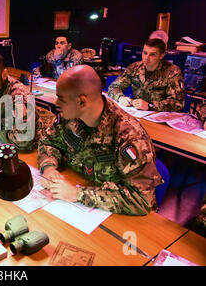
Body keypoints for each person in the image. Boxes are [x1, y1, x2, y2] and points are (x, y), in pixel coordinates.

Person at [38, 65, 162, 215]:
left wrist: (78, 194)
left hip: (118, 219)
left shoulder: (130, 136)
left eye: (61, 99)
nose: (56, 103)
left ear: (82, 102)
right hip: (81, 200)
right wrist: (49, 167)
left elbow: (141, 200)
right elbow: (48, 142)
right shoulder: (70, 118)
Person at [108, 38, 185, 112]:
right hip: (139, 113)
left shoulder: (173, 72)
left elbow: (178, 102)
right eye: (145, 53)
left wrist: (150, 105)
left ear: (161, 56)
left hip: (159, 116)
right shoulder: (134, 67)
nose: (146, 58)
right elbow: (114, 87)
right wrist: (121, 98)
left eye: (152, 55)